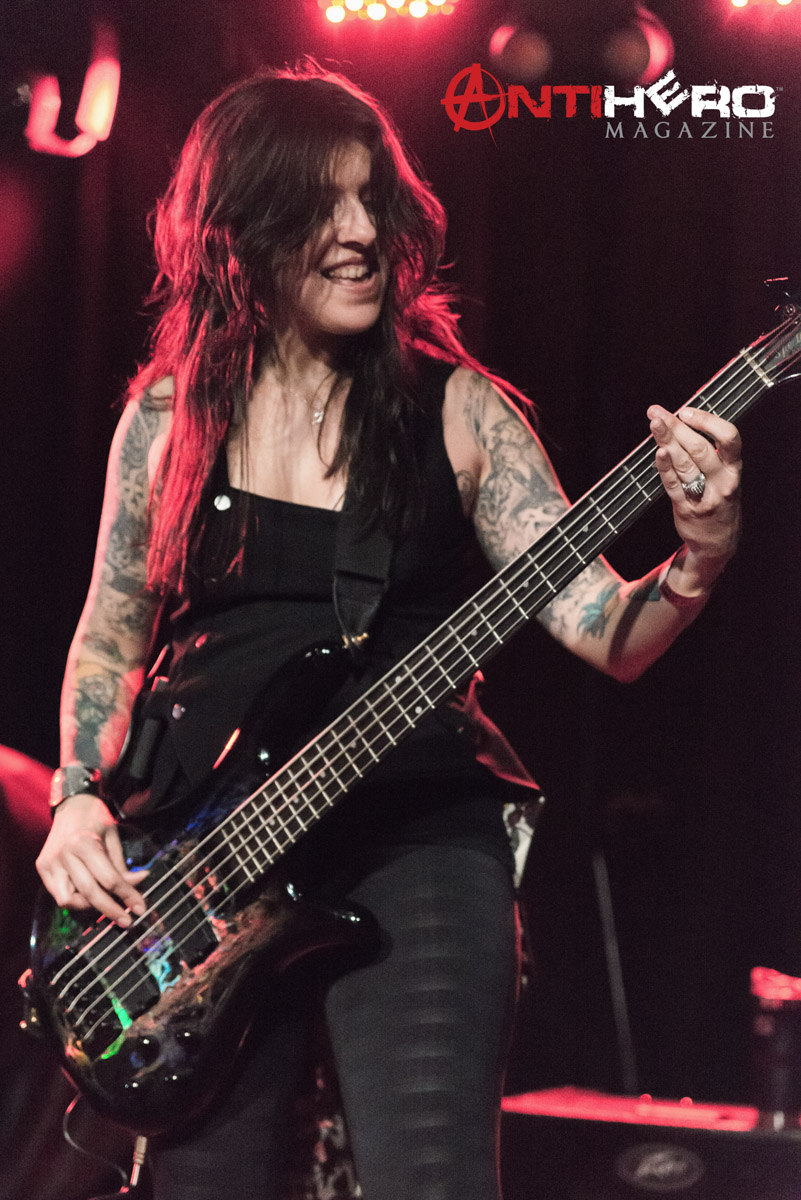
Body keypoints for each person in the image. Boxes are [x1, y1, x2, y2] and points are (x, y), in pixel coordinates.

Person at [35, 64, 741, 1200]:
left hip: (416, 835)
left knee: (433, 1178)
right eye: (326, 206)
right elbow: (112, 638)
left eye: (374, 199)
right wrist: (77, 795)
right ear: (242, 231)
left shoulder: (459, 413)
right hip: (202, 872)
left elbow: (609, 631)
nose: (362, 232)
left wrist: (699, 555)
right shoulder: (167, 419)